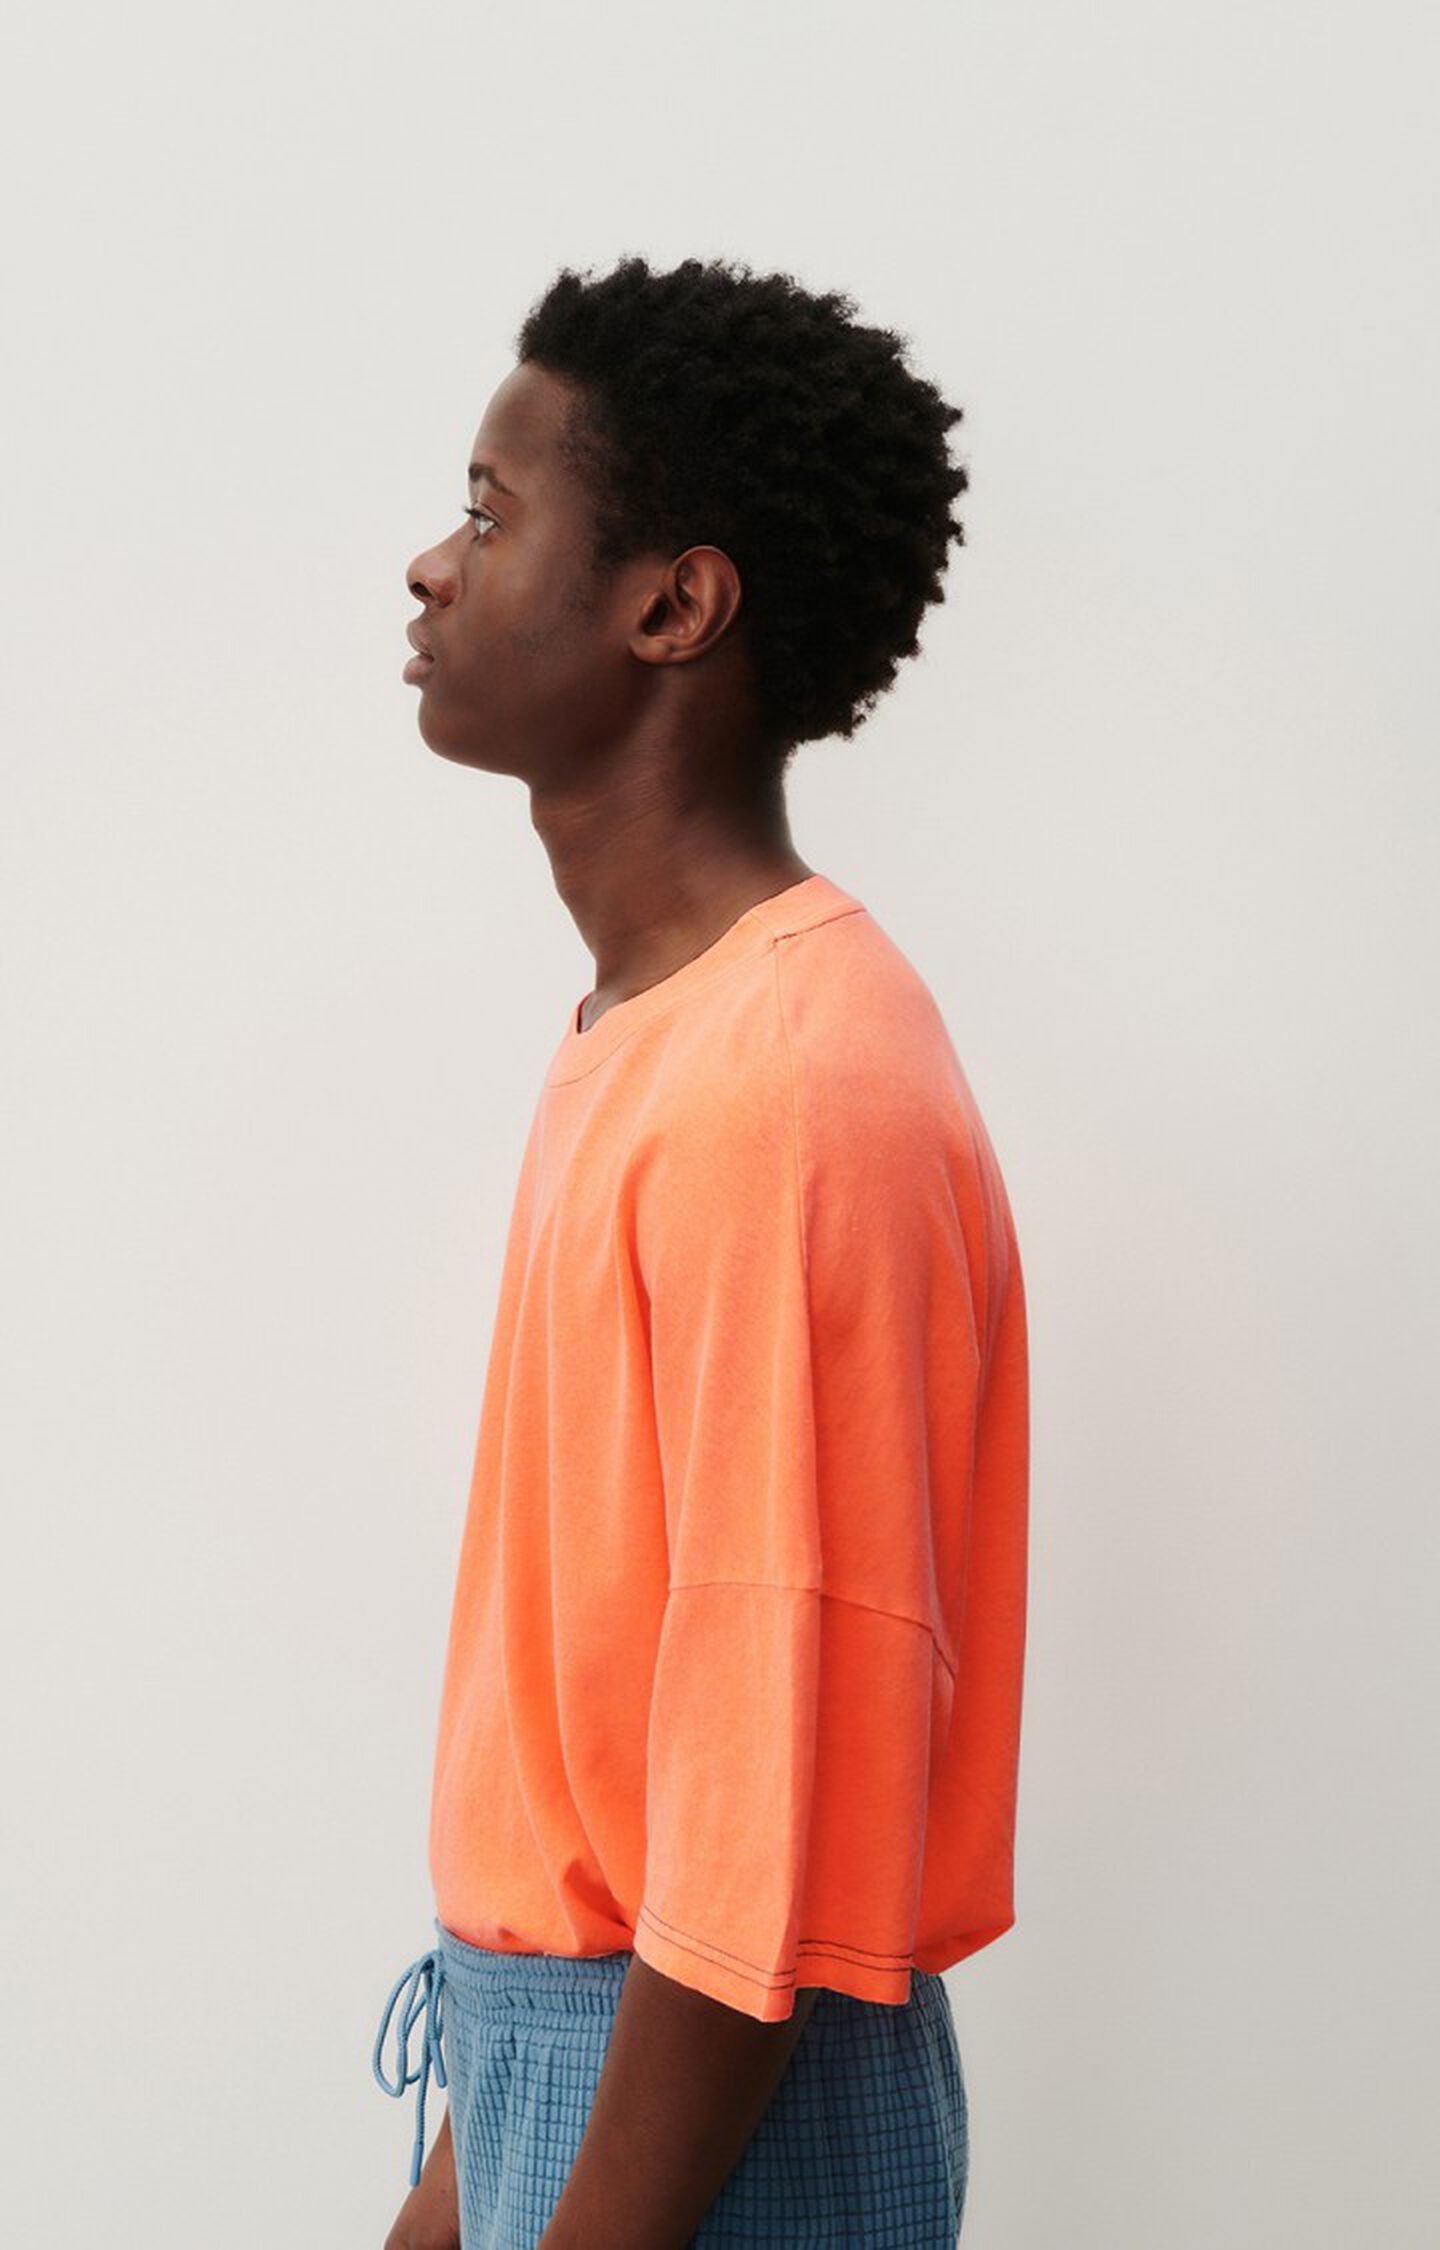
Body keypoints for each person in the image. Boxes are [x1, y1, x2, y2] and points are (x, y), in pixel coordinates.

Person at [372, 252, 1029, 2248]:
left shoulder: (788, 1093)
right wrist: (460, 2179)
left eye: (491, 516)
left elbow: (757, 1839)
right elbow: (616, 1748)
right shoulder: (657, 1033)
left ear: (673, 605)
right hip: (578, 2071)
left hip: (717, 2128)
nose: (430, 566)